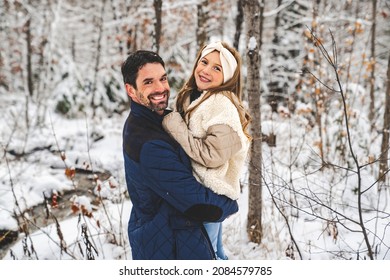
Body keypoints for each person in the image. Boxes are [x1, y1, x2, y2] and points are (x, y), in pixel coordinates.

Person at [121, 50, 239, 260]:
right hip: (170, 247)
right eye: (148, 82)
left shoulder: (152, 120)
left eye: (163, 78)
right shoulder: (150, 143)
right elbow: (199, 204)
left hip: (168, 235)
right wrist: (230, 203)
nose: (160, 88)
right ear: (131, 90)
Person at [162, 41, 252, 260]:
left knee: (205, 256)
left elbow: (213, 155)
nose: (206, 70)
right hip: (202, 191)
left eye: (217, 68)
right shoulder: (194, 97)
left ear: (227, 78)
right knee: (215, 254)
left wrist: (174, 124)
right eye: (204, 62)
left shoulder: (221, 104)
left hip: (210, 193)